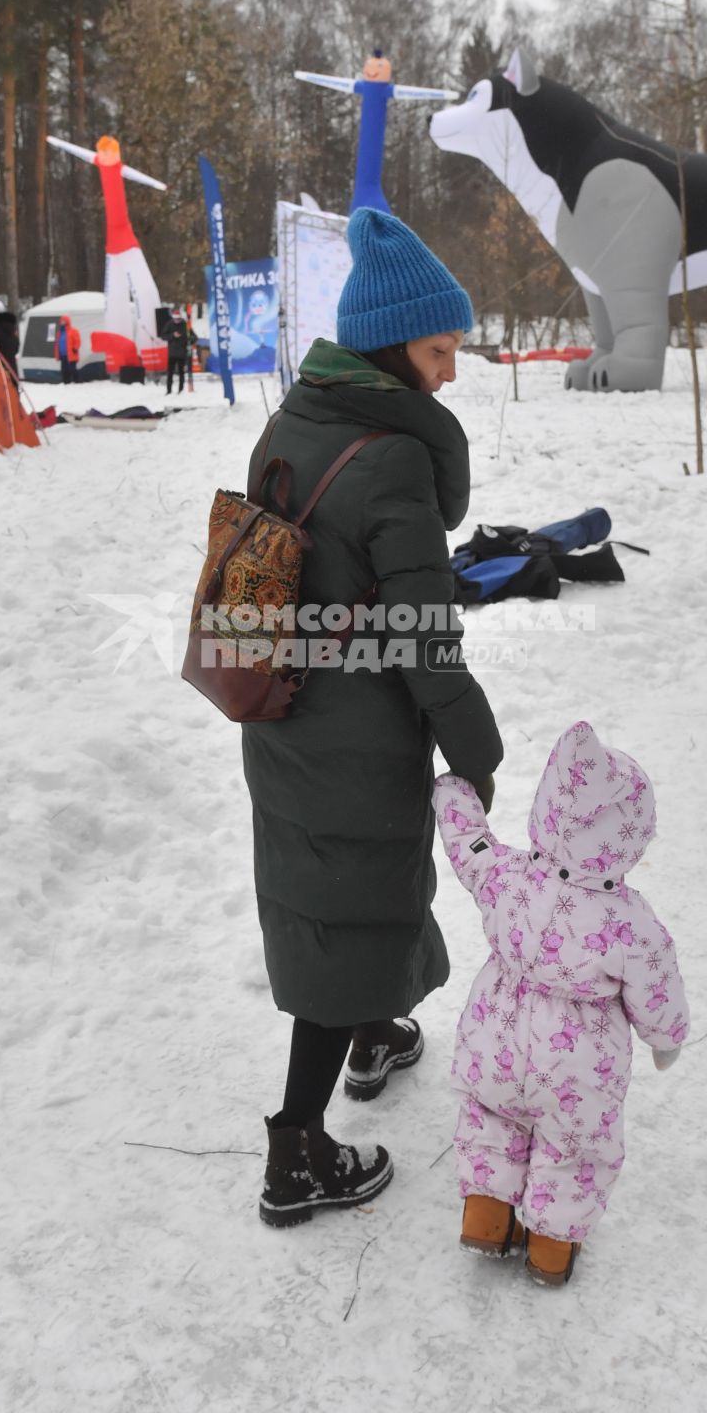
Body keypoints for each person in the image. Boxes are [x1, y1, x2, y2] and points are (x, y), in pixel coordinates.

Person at [243, 207, 503, 1227]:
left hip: (279, 711)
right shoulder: (391, 462)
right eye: (439, 349)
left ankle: (375, 1031)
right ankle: (296, 1153)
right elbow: (425, 640)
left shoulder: (294, 420)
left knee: (334, 894)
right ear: (395, 345)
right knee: (347, 904)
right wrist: (475, 752)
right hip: (355, 731)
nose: (450, 371)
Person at [433, 720, 691, 1286]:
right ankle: (550, 1247)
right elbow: (657, 984)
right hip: (576, 1069)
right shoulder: (631, 921)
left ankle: (487, 1214)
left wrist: (452, 791)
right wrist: (666, 1039)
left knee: (491, 1119)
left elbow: (468, 846)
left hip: (495, 1040)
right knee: (574, 1150)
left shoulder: (509, 878)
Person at [166, 307, 190, 395]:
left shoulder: (185, 325)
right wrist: (172, 335)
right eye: (175, 319)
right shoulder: (169, 324)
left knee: (181, 372)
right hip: (171, 353)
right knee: (170, 373)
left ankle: (181, 389)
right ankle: (168, 390)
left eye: (178, 319)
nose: (177, 321)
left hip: (182, 353)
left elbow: (192, 336)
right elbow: (163, 335)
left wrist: (188, 339)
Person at [55, 316, 80, 384]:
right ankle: (66, 382)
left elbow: (77, 341)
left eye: (64, 321)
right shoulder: (59, 333)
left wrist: (75, 348)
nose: (62, 322)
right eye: (61, 321)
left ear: (67, 321)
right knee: (64, 370)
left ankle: (76, 381)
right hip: (62, 354)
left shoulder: (73, 331)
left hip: (71, 354)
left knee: (72, 369)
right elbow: (57, 343)